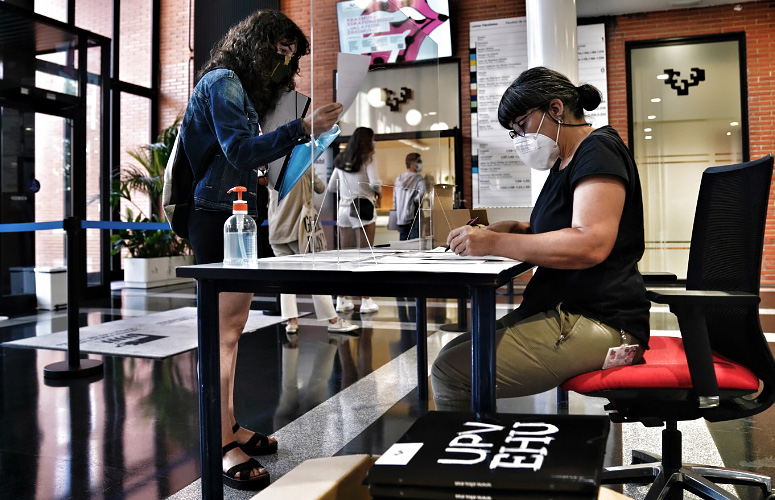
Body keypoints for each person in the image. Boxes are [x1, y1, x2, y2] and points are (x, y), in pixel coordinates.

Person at [180, 10, 342, 490]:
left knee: (231, 329)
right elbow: (238, 150)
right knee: (220, 334)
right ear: (256, 44)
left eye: (292, 56)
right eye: (280, 50)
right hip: (215, 217)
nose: (285, 62)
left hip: (235, 214)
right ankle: (218, 440)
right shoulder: (223, 82)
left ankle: (228, 425)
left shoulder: (243, 91)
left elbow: (242, 158)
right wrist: (301, 129)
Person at [431, 66, 650, 410]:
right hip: (564, 308)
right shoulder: (564, 162)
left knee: (452, 370)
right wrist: (516, 229)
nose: (520, 138)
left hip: (602, 320)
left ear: (556, 109)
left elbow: (590, 243)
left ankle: (470, 446)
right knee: (454, 352)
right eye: (514, 132)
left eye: (522, 125)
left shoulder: (598, 151)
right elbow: (559, 228)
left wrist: (493, 243)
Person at [268, 169, 359, 335]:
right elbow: (320, 187)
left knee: (286, 279)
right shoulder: (303, 166)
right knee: (316, 274)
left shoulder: (273, 169)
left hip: (276, 230)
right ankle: (333, 320)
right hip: (298, 230)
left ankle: (291, 322)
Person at [328, 126, 382, 314]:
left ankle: (342, 299)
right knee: (365, 255)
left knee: (345, 256)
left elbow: (331, 186)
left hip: (344, 210)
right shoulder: (369, 157)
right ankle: (366, 300)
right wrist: (376, 192)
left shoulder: (341, 158)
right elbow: (375, 182)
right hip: (363, 209)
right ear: (368, 140)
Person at [393, 152, 426, 240]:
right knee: (414, 242)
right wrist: (414, 202)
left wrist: (397, 212)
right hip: (413, 215)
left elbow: (394, 198)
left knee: (403, 242)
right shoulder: (418, 178)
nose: (421, 163)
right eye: (418, 161)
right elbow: (422, 193)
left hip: (401, 216)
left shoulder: (399, 178)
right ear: (411, 163)